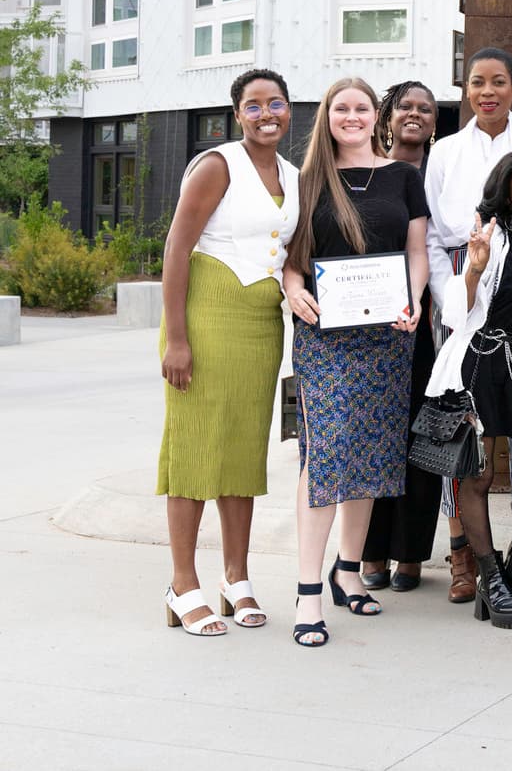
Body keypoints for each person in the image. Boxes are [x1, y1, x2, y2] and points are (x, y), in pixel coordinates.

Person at [282, 79, 429, 648]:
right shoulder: (307, 182)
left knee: (370, 446)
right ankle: (308, 591)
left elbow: (416, 251)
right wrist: (293, 289)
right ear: (327, 117)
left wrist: (413, 300)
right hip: (325, 336)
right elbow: (292, 258)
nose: (352, 116)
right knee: (328, 451)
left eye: (361, 108)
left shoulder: (403, 177)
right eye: (341, 109)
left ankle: (349, 569)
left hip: (389, 334)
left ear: (379, 117)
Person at [157, 69, 299, 637]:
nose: (267, 114)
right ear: (238, 113)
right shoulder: (217, 164)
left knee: (243, 449)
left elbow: (288, 252)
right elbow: (176, 247)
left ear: (290, 110)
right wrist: (177, 338)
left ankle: (234, 579)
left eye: (277, 104)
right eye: (254, 105)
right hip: (206, 311)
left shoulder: (293, 173)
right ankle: (182, 583)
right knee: (196, 446)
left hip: (261, 321)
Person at [423, 49, 512, 603]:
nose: (488, 90)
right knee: (470, 472)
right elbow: (440, 241)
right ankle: (477, 569)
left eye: (499, 81)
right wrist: (464, 281)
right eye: (477, 82)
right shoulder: (447, 156)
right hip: (469, 339)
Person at [361, 80, 443, 595]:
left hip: (429, 326)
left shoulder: (444, 171)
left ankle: (411, 554)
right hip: (367, 324)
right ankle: (369, 550)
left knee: (423, 436)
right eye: (405, 107)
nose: (414, 115)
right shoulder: (363, 168)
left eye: (426, 109)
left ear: (436, 122)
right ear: (387, 116)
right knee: (373, 435)